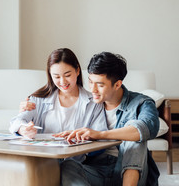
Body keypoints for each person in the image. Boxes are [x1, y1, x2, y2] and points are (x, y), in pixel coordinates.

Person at [55, 52, 160, 186]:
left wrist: (99, 135)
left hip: (131, 171)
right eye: (90, 81)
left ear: (117, 84)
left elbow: (149, 128)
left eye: (100, 85)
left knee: (134, 135)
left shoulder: (141, 103)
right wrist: (29, 109)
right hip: (97, 169)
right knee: (68, 165)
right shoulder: (87, 104)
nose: (92, 89)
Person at [9, 48, 107, 155]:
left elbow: (100, 137)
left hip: (76, 163)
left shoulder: (94, 102)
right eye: (56, 76)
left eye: (67, 75)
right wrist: (23, 129)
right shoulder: (38, 99)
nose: (62, 82)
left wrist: (84, 138)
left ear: (77, 71)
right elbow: (16, 122)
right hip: (43, 159)